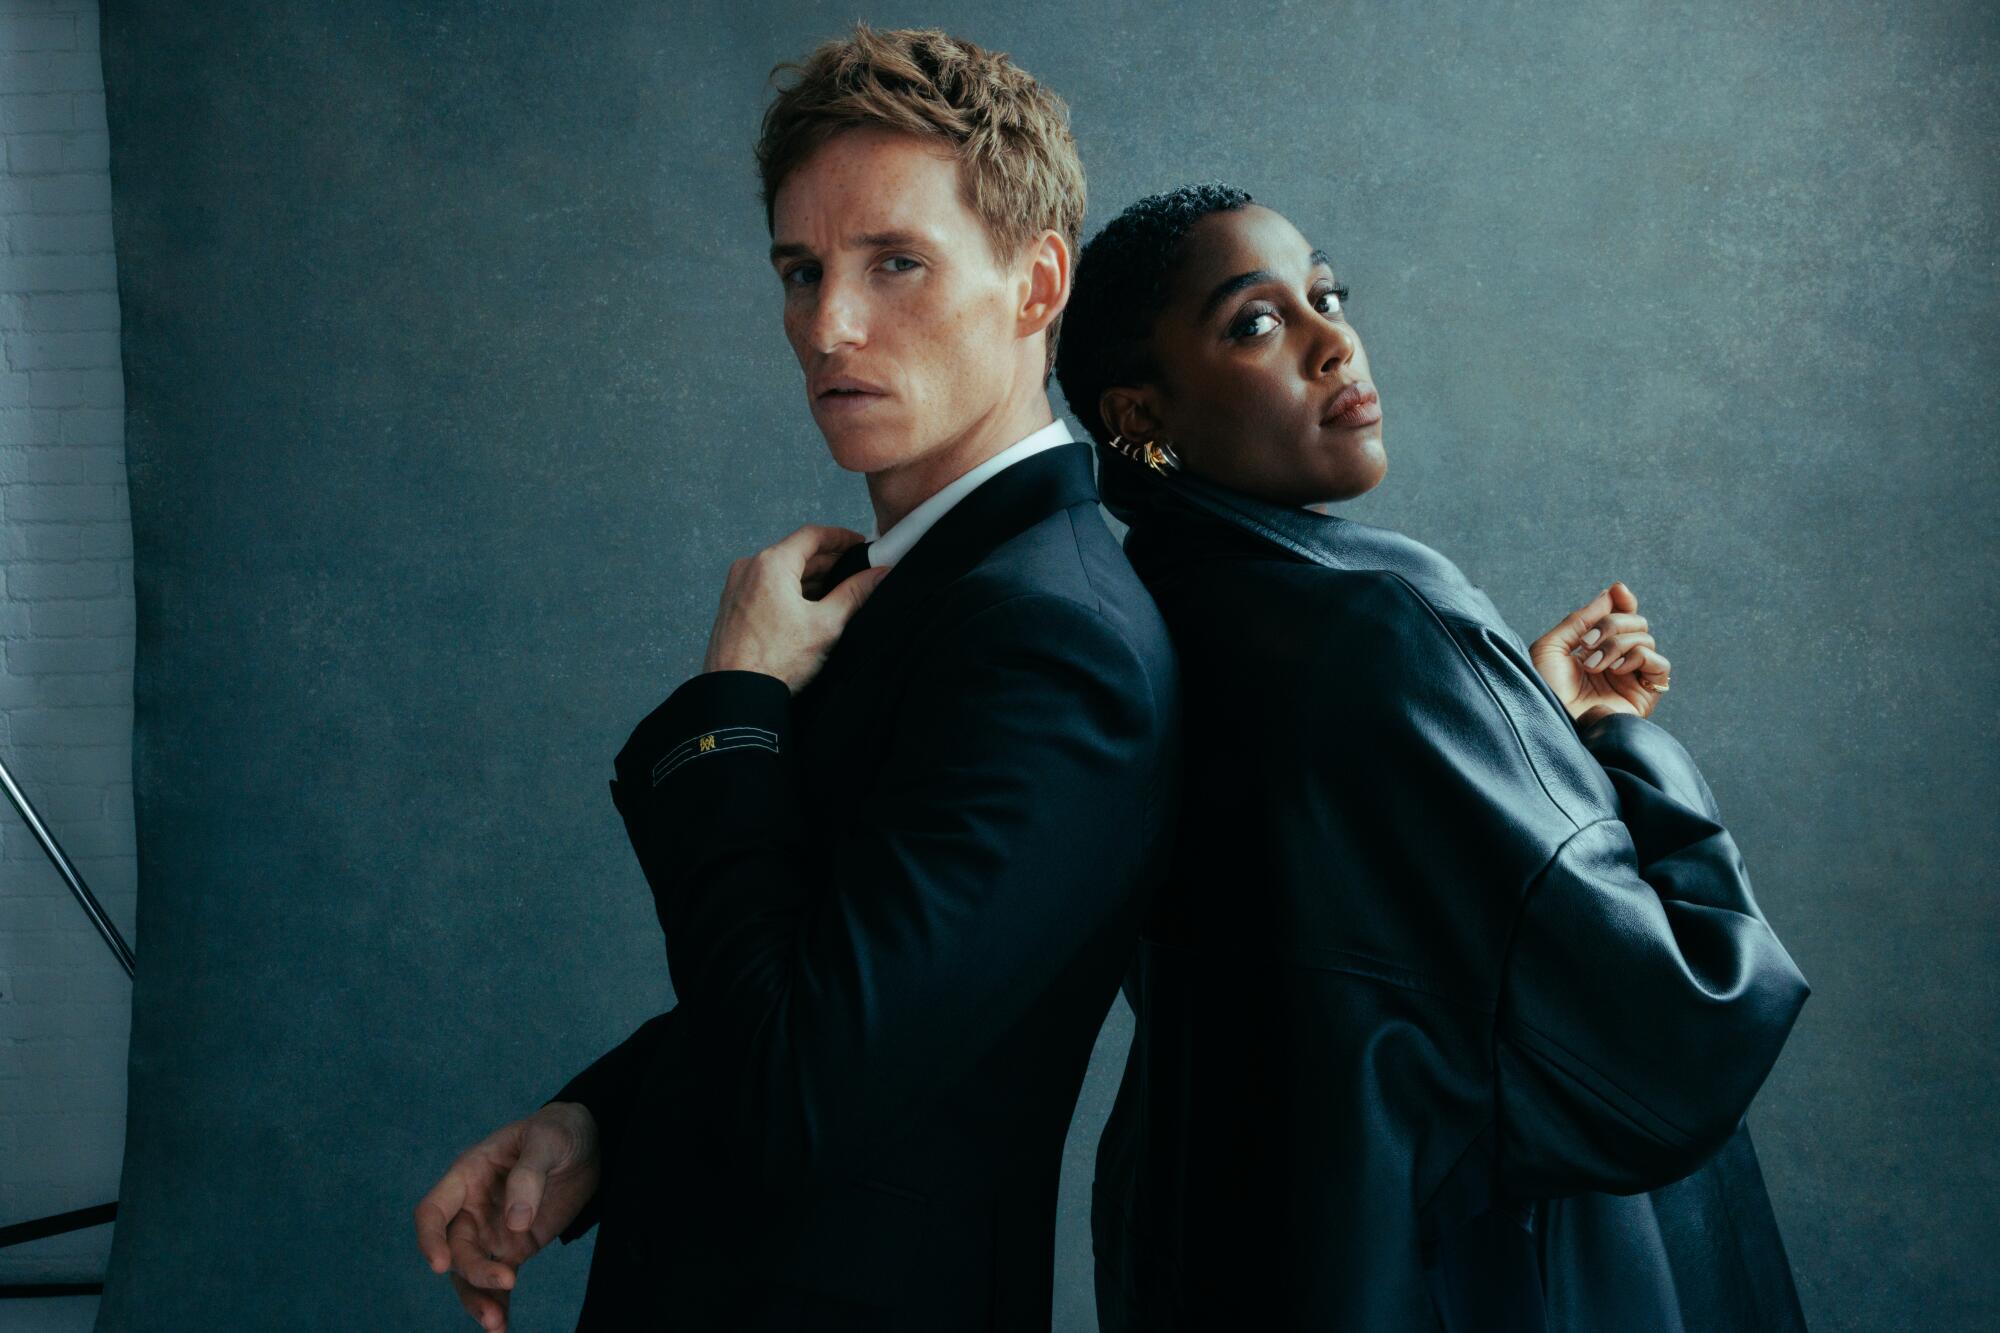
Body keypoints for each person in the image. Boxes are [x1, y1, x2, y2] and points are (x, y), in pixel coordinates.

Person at [412, 28, 1181, 1332]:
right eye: (801, 269)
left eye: (897, 264)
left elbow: (800, 1096)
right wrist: (591, 1119)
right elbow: (840, 982)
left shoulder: (1060, 644)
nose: (828, 324)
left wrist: (736, 705)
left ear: (1037, 282)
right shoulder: (939, 590)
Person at [1054, 184, 1811, 1332]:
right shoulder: (1379, 622)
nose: (1332, 339)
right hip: (1458, 1282)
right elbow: (1681, 1019)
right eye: (1254, 321)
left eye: (1325, 294)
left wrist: (1522, 725)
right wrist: (1618, 747)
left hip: (1222, 1261)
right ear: (1138, 415)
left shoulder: (1135, 615)